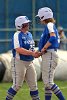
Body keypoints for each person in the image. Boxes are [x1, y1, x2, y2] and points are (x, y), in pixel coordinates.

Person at [6, 16, 40, 100]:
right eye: (26, 23)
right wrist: (32, 53)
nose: (28, 24)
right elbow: (18, 49)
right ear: (20, 25)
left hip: (29, 62)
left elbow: (31, 48)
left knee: (34, 86)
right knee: (17, 85)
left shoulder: (29, 34)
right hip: (19, 62)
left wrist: (38, 52)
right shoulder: (17, 35)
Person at [36, 7, 65, 100]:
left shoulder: (49, 25)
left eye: (40, 17)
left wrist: (43, 49)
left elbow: (52, 38)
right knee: (47, 83)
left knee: (48, 82)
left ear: (44, 17)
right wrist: (40, 51)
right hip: (49, 54)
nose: (39, 19)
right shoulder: (50, 25)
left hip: (50, 55)